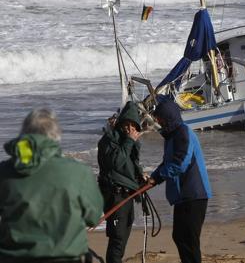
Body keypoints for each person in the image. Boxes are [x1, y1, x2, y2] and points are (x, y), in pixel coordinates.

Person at [0, 108, 103, 263]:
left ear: (23, 133)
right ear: (56, 136)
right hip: (66, 257)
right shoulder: (78, 172)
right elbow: (93, 217)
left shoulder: (4, 171)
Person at [148, 99, 212, 263]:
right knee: (179, 236)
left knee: (188, 240)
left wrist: (159, 177)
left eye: (159, 118)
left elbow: (180, 163)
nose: (157, 121)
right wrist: (153, 178)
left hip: (194, 194)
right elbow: (166, 163)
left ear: (168, 117)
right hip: (183, 196)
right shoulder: (170, 137)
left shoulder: (183, 132)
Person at [97, 101, 144, 263]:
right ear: (120, 122)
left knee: (123, 238)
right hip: (115, 195)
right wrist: (130, 141)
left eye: (133, 125)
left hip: (127, 195)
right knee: (117, 239)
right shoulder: (108, 141)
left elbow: (129, 165)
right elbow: (117, 162)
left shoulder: (126, 140)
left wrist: (140, 176)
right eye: (126, 123)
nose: (129, 128)